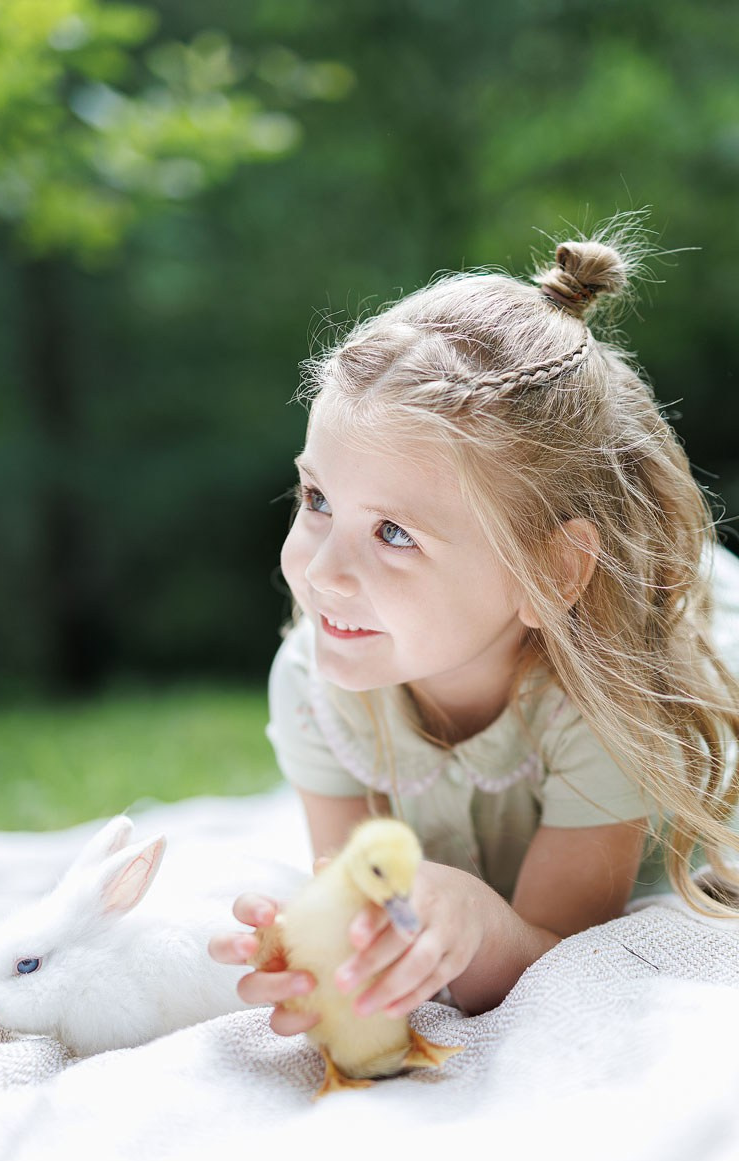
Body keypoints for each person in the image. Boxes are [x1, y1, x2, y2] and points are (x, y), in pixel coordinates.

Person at [209, 223, 739, 1031]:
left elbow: (563, 953)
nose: (320, 572)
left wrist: (478, 923)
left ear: (550, 574)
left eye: (393, 532)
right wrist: (320, 951)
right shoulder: (315, 686)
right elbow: (357, 899)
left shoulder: (610, 709)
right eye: (317, 499)